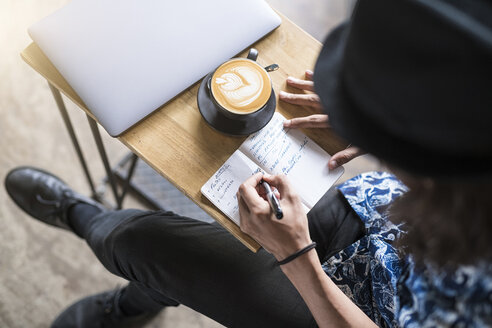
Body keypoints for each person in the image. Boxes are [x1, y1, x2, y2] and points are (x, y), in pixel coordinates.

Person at [5, 0, 492, 327]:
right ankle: (148, 292)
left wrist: (298, 258)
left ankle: (88, 229)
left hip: (361, 314)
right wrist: (377, 124)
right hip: (388, 225)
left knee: (138, 242)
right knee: (194, 239)